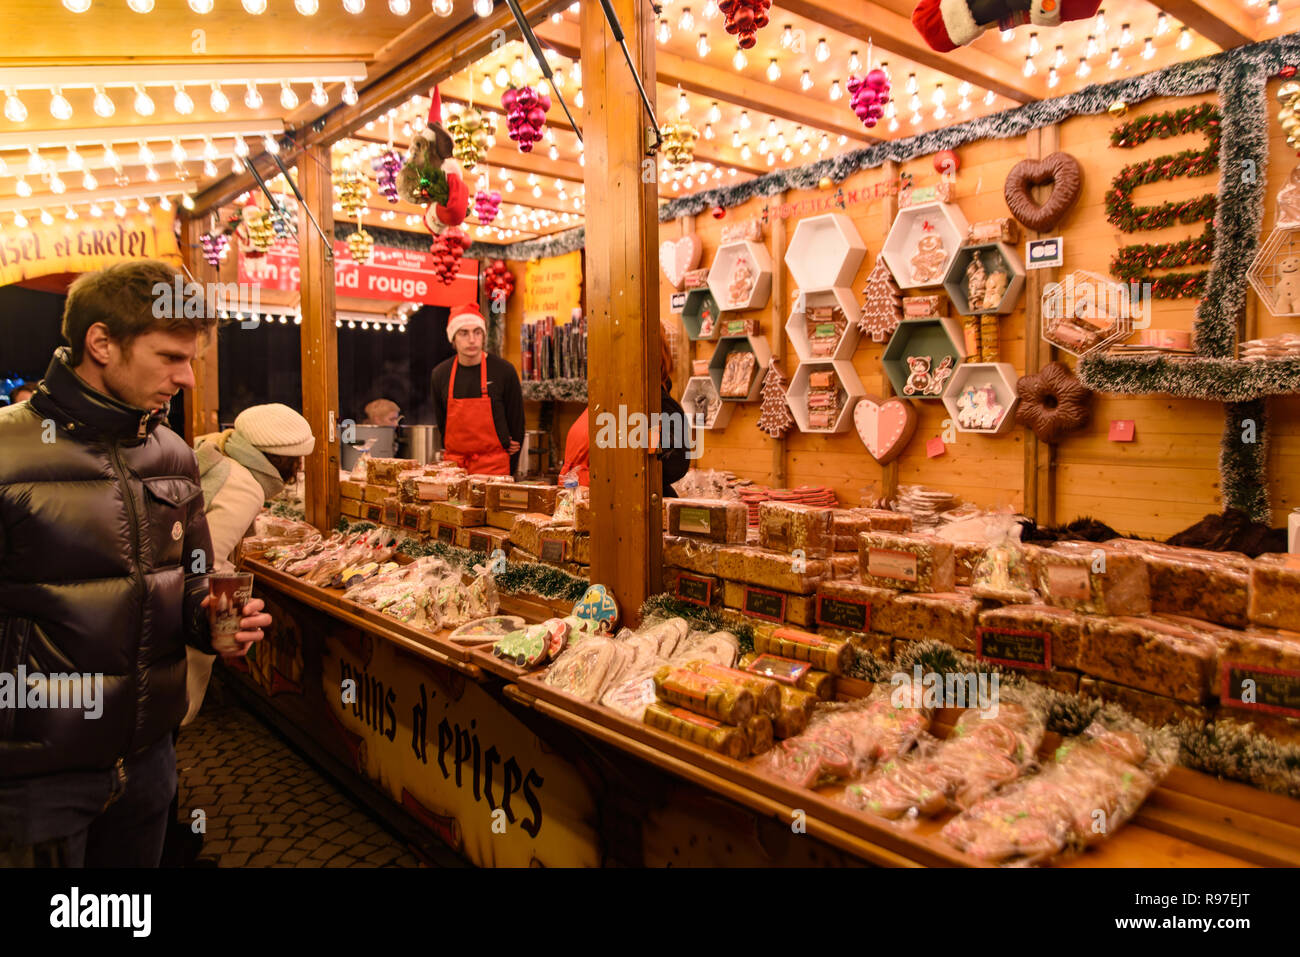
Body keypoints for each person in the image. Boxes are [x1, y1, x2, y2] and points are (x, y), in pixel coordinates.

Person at [0, 259, 270, 868]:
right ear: (101, 342)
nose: (188, 378)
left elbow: (193, 578)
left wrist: (214, 624)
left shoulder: (172, 453)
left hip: (150, 762)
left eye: (192, 359)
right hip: (36, 781)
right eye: (170, 357)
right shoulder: (6, 449)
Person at [187, 403, 315, 724]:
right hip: (181, 626)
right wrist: (226, 632)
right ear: (281, 459)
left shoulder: (221, 454)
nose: (298, 469)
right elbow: (207, 563)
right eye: (297, 460)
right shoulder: (244, 485)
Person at [559, 322, 690, 497]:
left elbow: (673, 464)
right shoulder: (620, 401)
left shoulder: (650, 406)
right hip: (598, 502)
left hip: (601, 503)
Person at [431, 302, 523, 475]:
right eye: (464, 333)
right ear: (453, 338)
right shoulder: (440, 374)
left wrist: (511, 472)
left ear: (483, 335)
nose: (472, 339)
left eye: (477, 332)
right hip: (454, 469)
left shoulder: (504, 371)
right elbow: (442, 424)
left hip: (494, 469)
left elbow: (517, 425)